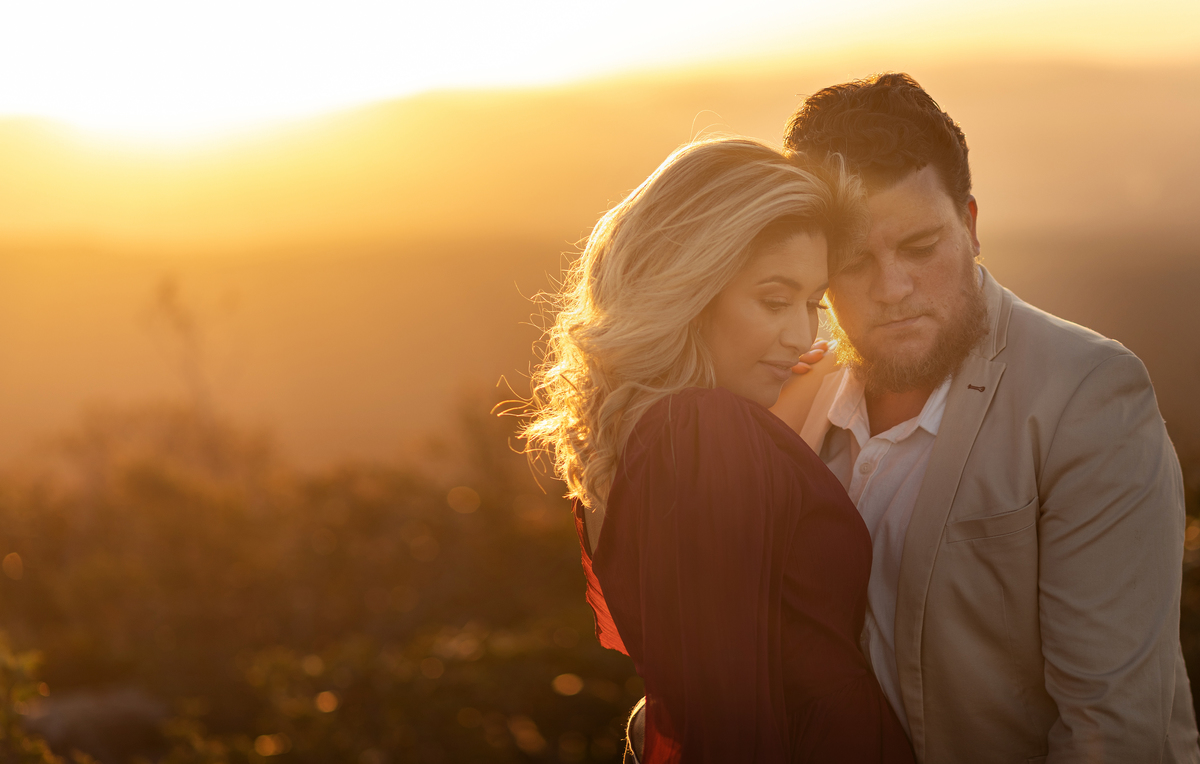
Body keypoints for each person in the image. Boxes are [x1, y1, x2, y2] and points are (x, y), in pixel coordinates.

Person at [767, 72, 1200, 763]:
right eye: (853, 262)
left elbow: (1111, 732)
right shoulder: (793, 389)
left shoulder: (1088, 395)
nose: (893, 289)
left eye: (919, 247)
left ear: (969, 226)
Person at [522, 137, 916, 763]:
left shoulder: (660, 435)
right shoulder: (700, 435)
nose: (801, 334)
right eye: (774, 300)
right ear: (690, 292)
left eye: (813, 304)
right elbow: (729, 724)